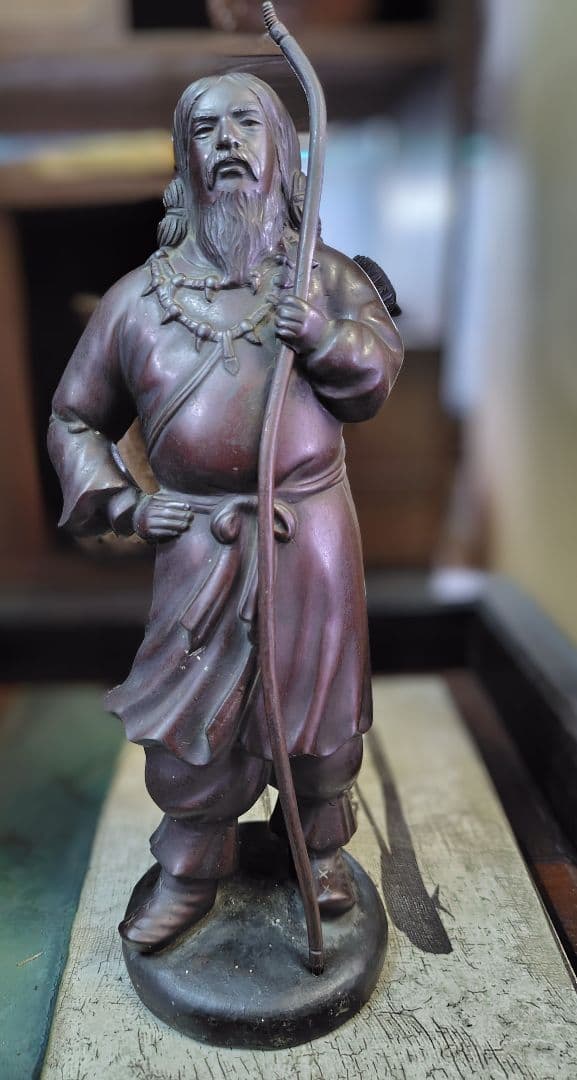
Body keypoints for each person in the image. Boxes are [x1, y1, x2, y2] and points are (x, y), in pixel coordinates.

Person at [48, 72, 403, 952]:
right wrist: (126, 505)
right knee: (191, 731)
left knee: (319, 723)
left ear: (282, 149)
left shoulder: (327, 278)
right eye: (206, 130)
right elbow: (74, 417)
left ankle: (318, 851)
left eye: (247, 123)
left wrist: (320, 333)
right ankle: (190, 869)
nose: (228, 144)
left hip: (309, 538)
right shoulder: (139, 300)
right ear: (185, 160)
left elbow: (373, 379)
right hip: (199, 547)